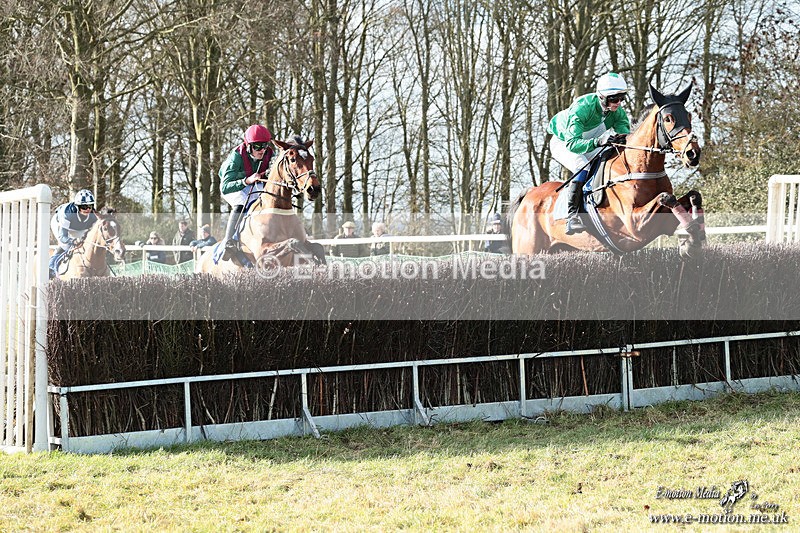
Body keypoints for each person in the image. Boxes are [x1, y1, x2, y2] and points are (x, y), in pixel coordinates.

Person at [547, 72, 631, 235]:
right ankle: (572, 216)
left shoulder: (618, 112)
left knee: (610, 158)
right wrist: (598, 142)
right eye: (614, 99)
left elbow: (625, 139)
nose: (619, 103)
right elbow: (572, 144)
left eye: (622, 98)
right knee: (582, 165)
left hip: (589, 142)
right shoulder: (582, 108)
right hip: (564, 142)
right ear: (602, 97)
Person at [219, 124, 275, 260]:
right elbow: (225, 187)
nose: (262, 150)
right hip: (234, 185)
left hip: (254, 182)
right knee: (242, 202)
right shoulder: (236, 157)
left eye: (265, 145)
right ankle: (229, 242)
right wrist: (246, 181)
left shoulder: (269, 153)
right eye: (257, 146)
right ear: (249, 146)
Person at [48, 189, 98, 278]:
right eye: (84, 207)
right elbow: (63, 237)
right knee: (66, 246)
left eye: (90, 206)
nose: (87, 209)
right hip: (59, 224)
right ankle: (51, 267)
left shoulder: (94, 216)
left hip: (79, 227)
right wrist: (73, 241)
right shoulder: (68, 213)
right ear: (77, 206)